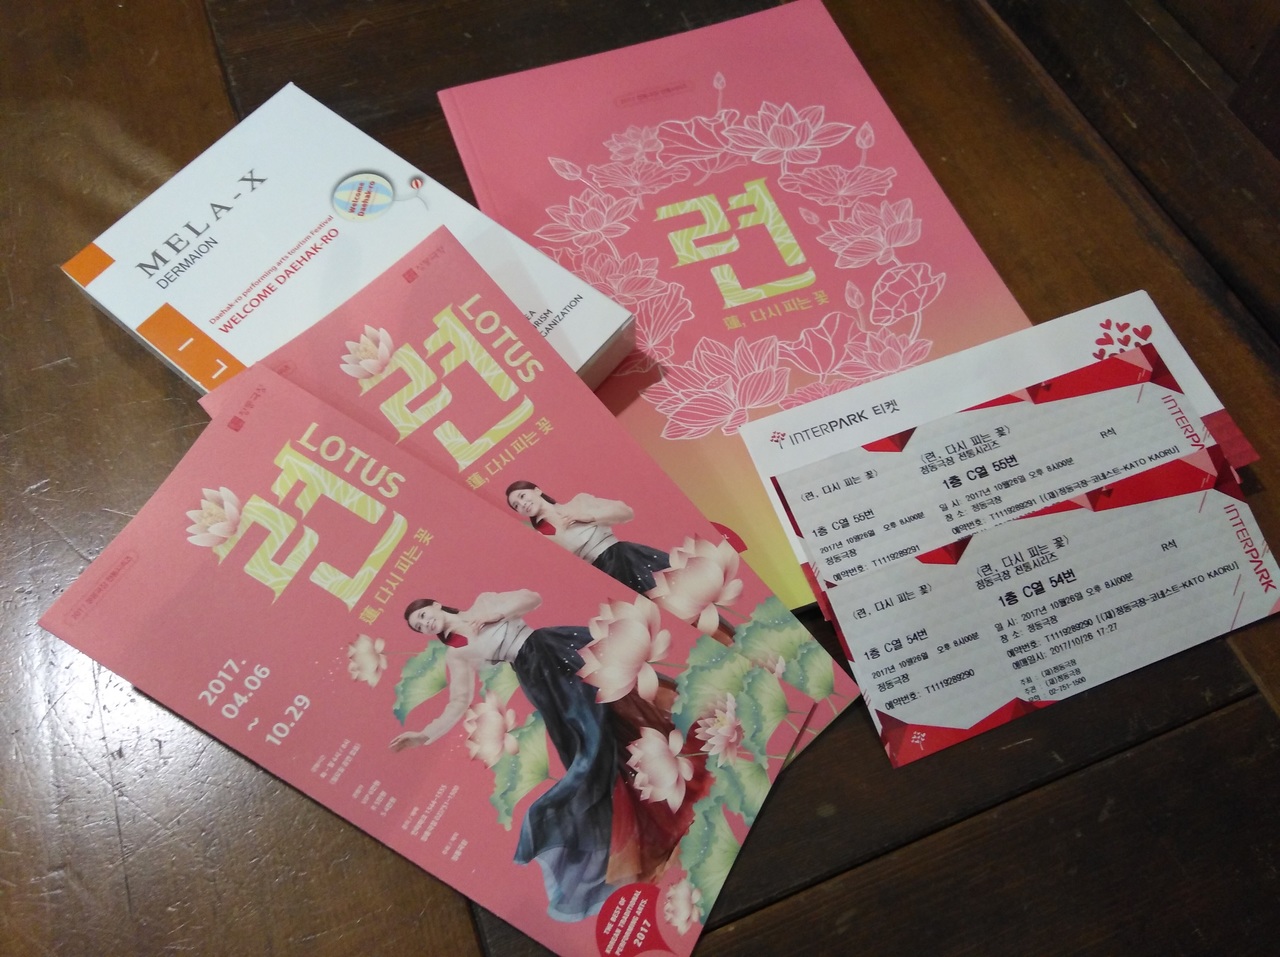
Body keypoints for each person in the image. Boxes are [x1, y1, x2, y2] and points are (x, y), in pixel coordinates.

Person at [391, 590, 706, 922]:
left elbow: (533, 598)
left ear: (435, 605)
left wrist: (495, 615)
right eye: (419, 627)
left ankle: (689, 741)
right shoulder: (457, 655)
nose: (425, 624)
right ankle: (654, 806)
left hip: (556, 646)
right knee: (592, 744)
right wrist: (424, 735)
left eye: (423, 616)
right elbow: (457, 702)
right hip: (539, 677)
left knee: (623, 697)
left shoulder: (483, 602)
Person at [505, 481, 670, 596]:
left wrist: (590, 517)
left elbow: (626, 512)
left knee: (670, 593)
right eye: (516, 505)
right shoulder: (541, 538)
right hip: (603, 575)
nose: (522, 504)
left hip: (625, 556)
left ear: (537, 491)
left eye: (522, 496)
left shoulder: (579, 502)